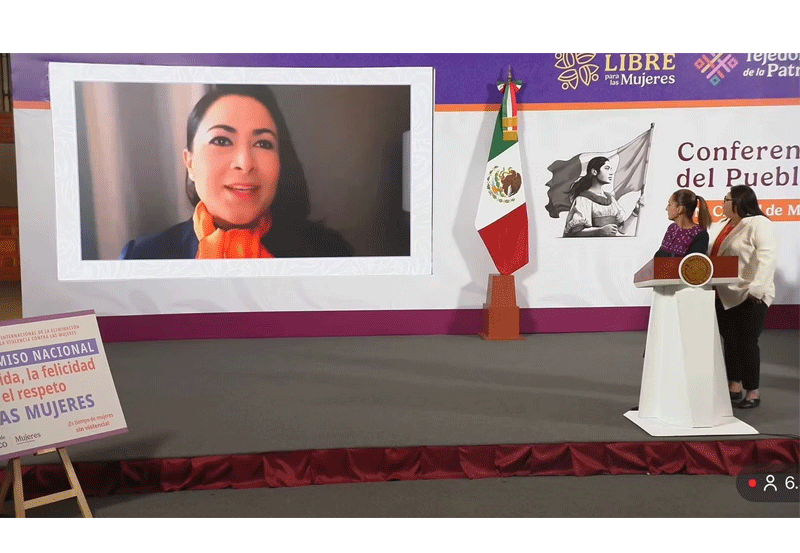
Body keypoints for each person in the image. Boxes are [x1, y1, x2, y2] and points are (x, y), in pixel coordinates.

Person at [120, 84, 354, 259]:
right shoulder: (143, 257)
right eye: (221, 141)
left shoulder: (329, 253)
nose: (245, 163)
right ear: (190, 163)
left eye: (263, 143)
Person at [708, 185, 777, 409]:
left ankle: (753, 391)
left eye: (726, 199)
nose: (723, 203)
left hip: (750, 295)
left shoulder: (759, 223)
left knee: (747, 343)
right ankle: (734, 386)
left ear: (738, 202)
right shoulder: (722, 225)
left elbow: (767, 258)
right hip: (723, 293)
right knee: (730, 341)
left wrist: (757, 289)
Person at [562, 156, 643, 237]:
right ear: (594, 172)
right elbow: (576, 232)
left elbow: (622, 230)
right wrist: (599, 231)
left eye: (611, 169)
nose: (611, 173)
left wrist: (635, 213)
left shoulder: (610, 199)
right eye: (607, 168)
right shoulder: (583, 199)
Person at [653, 190, 710, 257]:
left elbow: (692, 262)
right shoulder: (672, 228)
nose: (667, 208)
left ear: (680, 209)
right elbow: (659, 255)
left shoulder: (700, 235)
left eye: (670, 204)